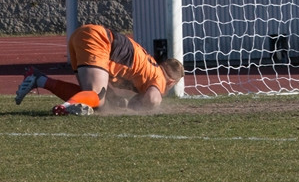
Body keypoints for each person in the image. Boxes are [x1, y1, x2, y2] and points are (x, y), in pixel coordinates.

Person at [14, 24, 184, 115]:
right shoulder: (160, 79)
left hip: (86, 35)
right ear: (171, 82)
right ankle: (65, 107)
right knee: (96, 94)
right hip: (100, 40)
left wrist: (118, 101)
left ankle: (40, 79)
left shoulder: (150, 67)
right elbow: (153, 99)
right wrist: (138, 108)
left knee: (97, 100)